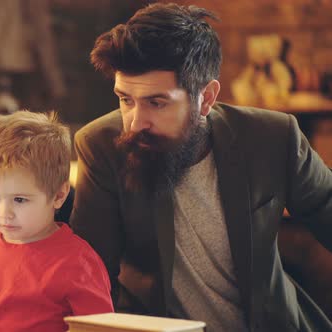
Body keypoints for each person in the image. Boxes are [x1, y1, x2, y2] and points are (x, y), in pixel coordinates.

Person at [70, 3, 332, 332]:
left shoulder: (273, 138)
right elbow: (90, 280)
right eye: (125, 99)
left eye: (157, 102)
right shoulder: (101, 147)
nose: (136, 122)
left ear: (206, 98)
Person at [0, 111, 114, 332]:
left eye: (19, 200)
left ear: (58, 196)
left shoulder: (79, 263)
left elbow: (99, 329)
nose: (4, 212)